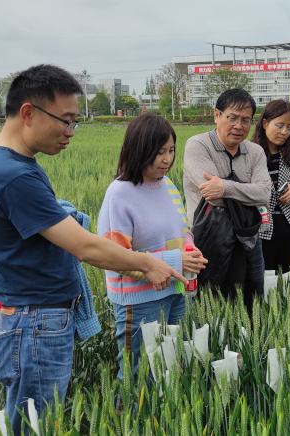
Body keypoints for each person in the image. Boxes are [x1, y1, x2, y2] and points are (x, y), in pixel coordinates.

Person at [0, 65, 185, 434]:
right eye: (65, 120)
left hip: (23, 316)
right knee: (39, 426)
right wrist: (147, 264)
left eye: (75, 121)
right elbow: (84, 247)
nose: (70, 132)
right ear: (28, 112)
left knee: (32, 422)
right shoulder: (14, 174)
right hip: (31, 322)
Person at [97, 114, 207, 381]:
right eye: (159, 152)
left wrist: (190, 249)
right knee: (141, 374)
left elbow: (181, 231)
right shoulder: (120, 193)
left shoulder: (167, 185)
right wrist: (175, 259)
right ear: (139, 150)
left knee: (173, 368)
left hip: (176, 291)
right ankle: (131, 421)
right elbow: (115, 256)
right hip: (141, 300)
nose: (167, 159)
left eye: (171, 150)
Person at [182, 89, 271, 311]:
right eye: (232, 117)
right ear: (217, 115)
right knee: (209, 302)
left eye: (246, 120)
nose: (239, 126)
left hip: (249, 237)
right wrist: (248, 193)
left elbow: (265, 194)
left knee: (252, 299)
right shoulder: (198, 145)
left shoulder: (256, 151)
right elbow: (211, 196)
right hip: (209, 238)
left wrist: (225, 187)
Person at [251, 100, 290, 273]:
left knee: (286, 280)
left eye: (289, 127)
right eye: (279, 126)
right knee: (263, 278)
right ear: (264, 123)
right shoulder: (250, 154)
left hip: (289, 228)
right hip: (261, 229)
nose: (284, 132)